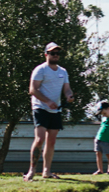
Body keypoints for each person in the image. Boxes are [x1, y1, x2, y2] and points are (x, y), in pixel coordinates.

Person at [25, 42, 75, 181]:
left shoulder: (63, 72)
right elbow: (33, 89)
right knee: (40, 139)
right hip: (40, 108)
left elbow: (67, 89)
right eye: (52, 53)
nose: (55, 56)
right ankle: (31, 171)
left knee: (51, 141)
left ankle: (46, 171)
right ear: (46, 54)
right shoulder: (40, 70)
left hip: (56, 110)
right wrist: (47, 101)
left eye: (57, 53)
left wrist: (69, 96)